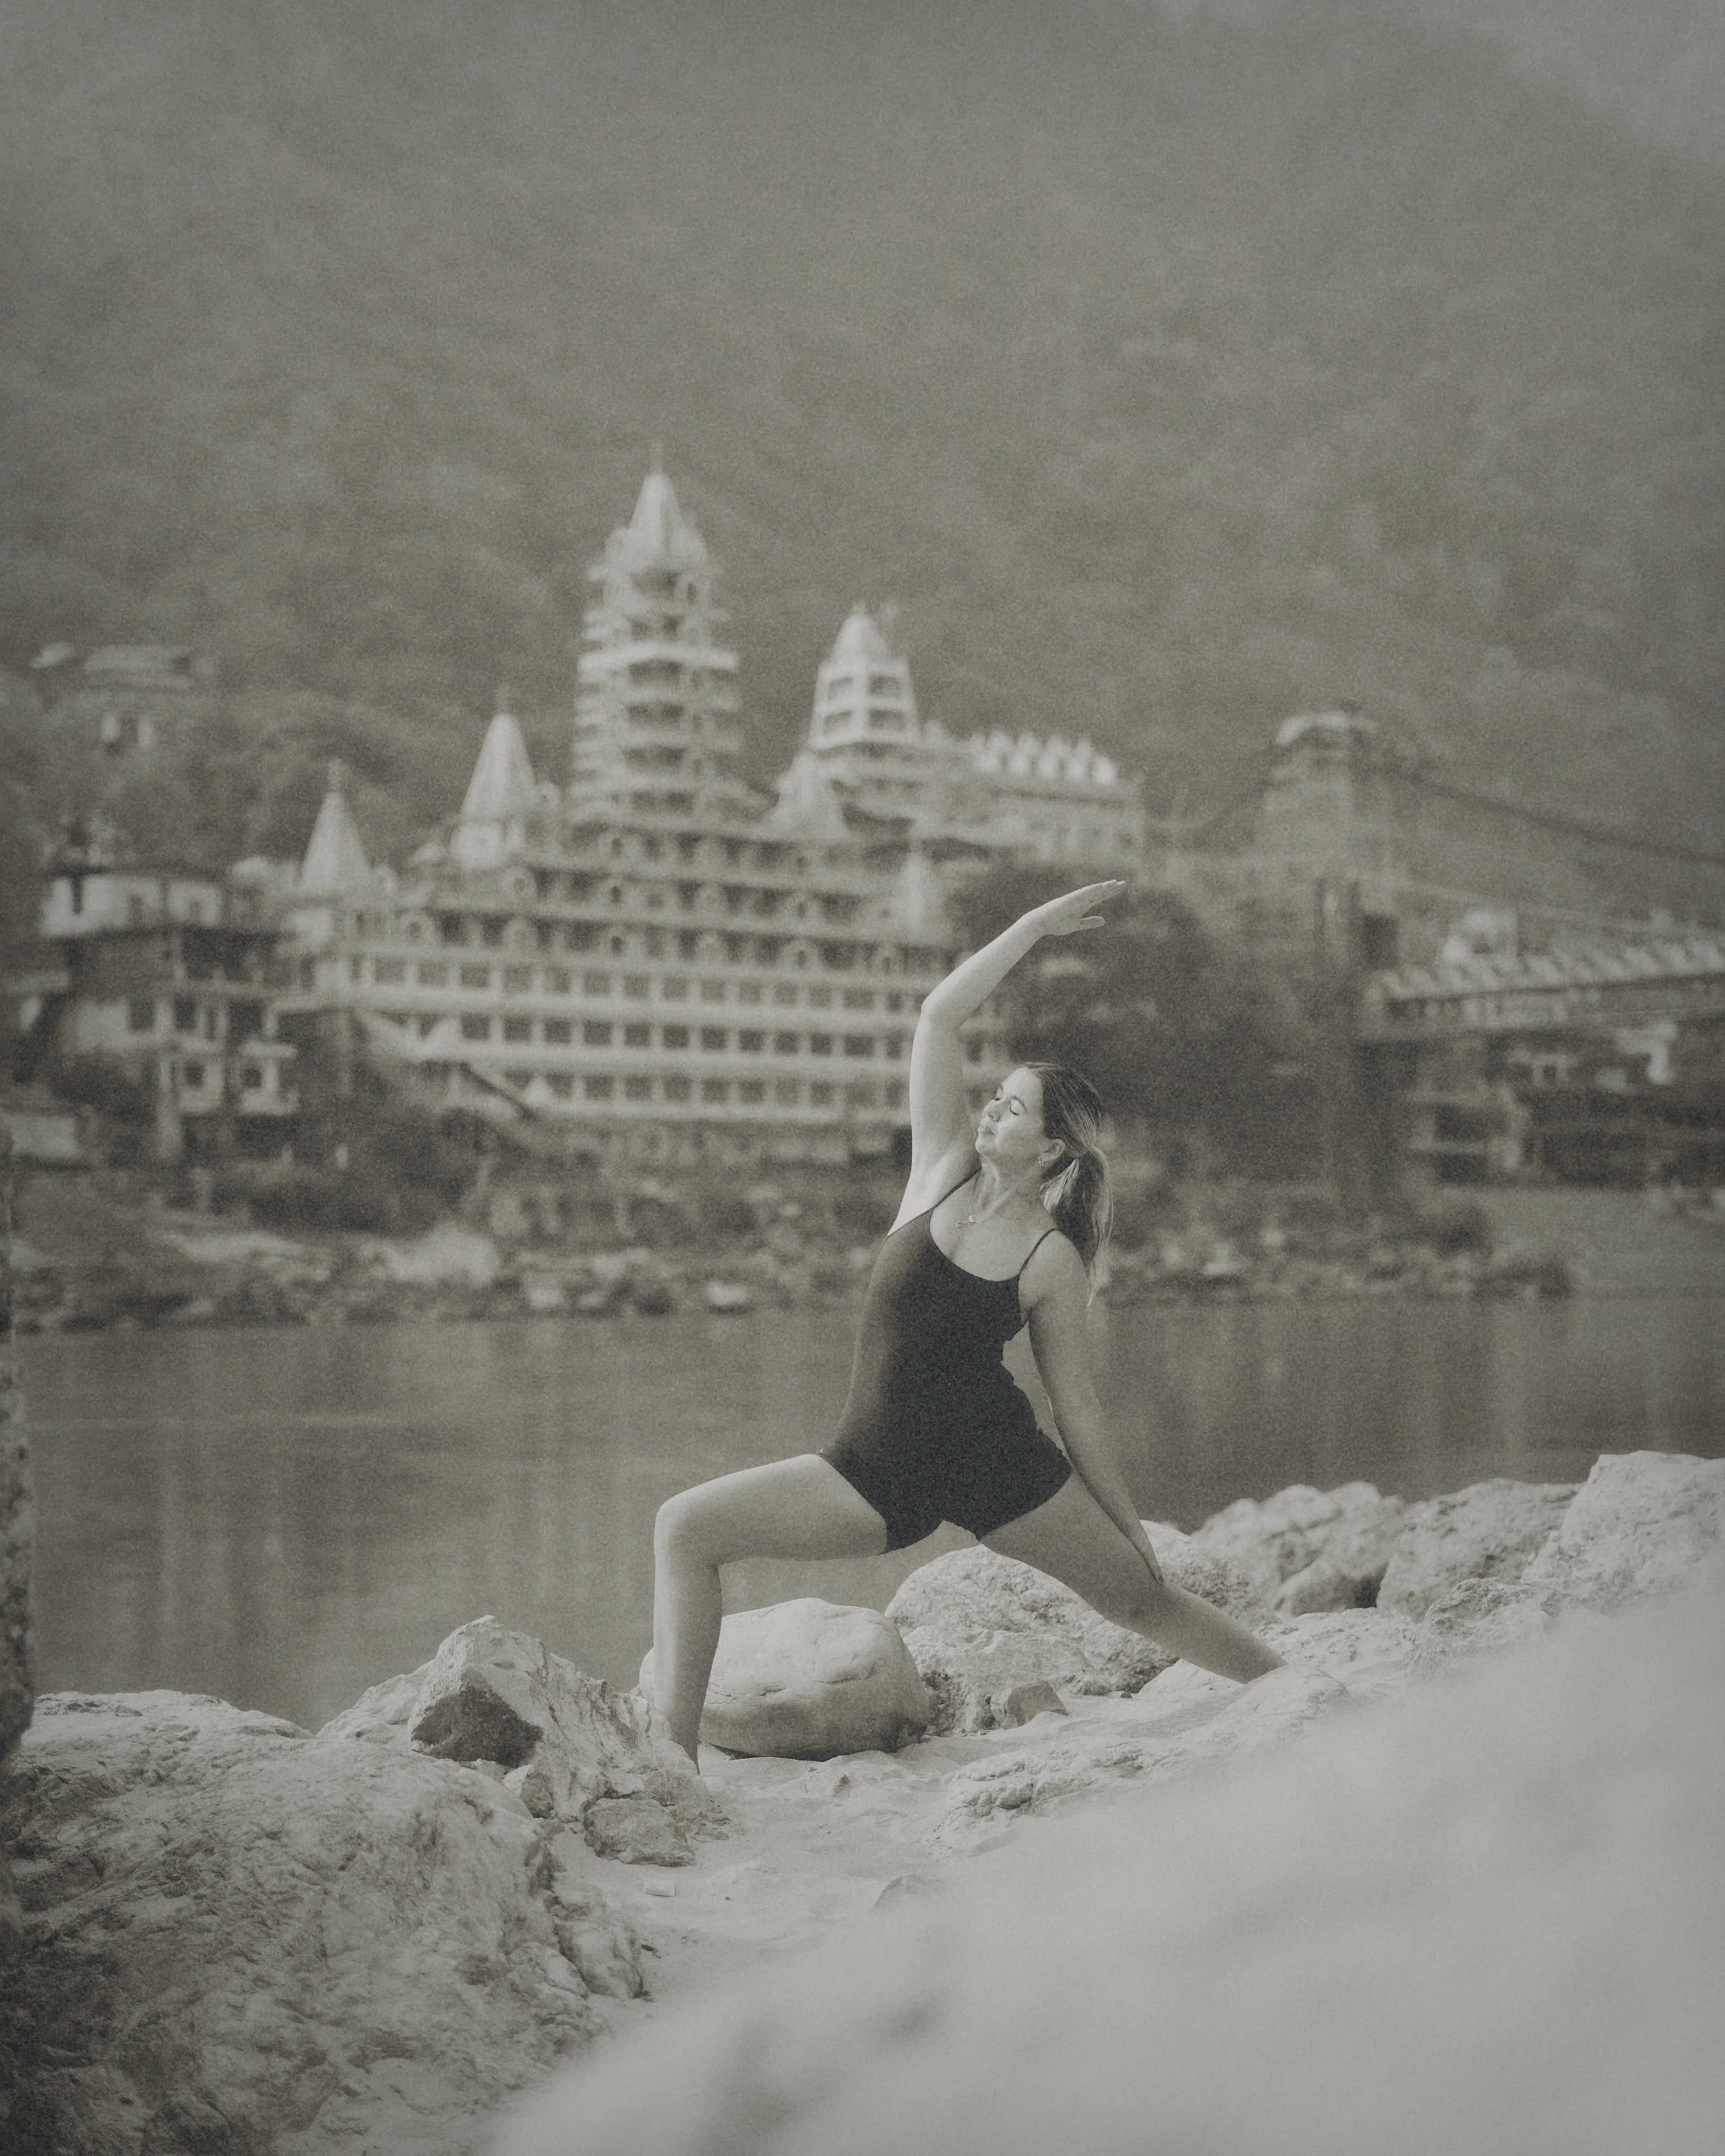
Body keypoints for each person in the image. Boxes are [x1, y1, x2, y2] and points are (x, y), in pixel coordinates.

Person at [651, 880, 1283, 1764]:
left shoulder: (1051, 1258)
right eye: (996, 1095)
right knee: (685, 1527)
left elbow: (1077, 1406)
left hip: (998, 1468)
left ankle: (1302, 1690)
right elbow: (938, 1016)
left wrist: (1127, 1523)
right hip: (874, 1475)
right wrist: (1031, 927)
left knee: (1141, 1598)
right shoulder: (937, 1169)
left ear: (1052, 1148)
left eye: (1013, 1106)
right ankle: (672, 1758)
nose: (990, 1107)